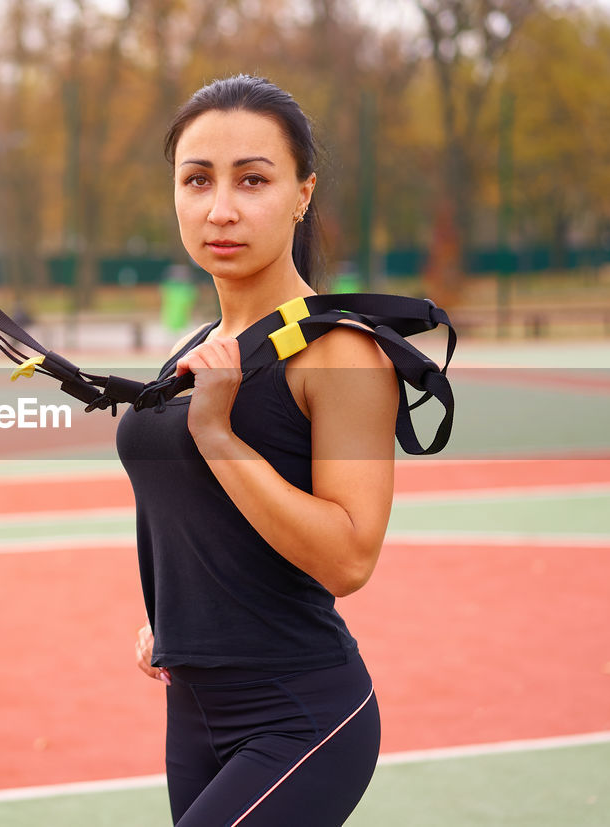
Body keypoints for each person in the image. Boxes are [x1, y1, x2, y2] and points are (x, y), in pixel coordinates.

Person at [115, 75, 398, 826]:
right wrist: (174, 616)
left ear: (302, 193)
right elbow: (196, 515)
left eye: (253, 179)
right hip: (194, 705)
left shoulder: (339, 354)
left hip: (301, 716)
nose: (222, 208)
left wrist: (216, 433)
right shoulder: (195, 348)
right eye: (197, 180)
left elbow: (349, 558)